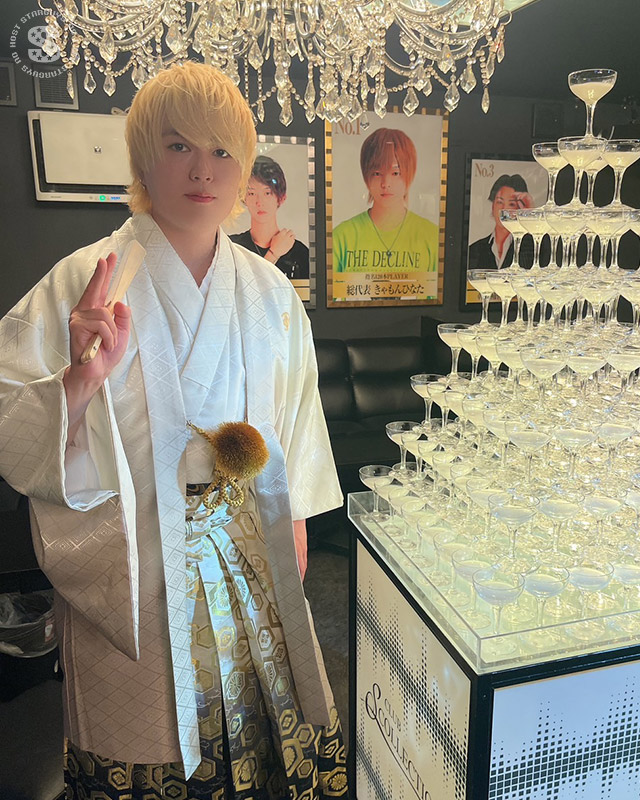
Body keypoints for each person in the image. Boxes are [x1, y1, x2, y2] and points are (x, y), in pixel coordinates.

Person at [0, 63, 347, 799]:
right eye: (179, 145)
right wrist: (78, 381)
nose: (202, 170)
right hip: (133, 566)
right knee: (146, 742)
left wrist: (295, 531)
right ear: (143, 157)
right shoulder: (81, 282)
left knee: (254, 739)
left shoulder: (271, 292)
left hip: (250, 555)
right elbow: (9, 414)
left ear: (244, 169)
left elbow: (296, 424)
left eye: (223, 151)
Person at [332, 127, 439, 273]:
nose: (386, 183)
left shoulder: (431, 237)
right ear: (366, 176)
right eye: (377, 173)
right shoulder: (342, 237)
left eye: (396, 173)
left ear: (410, 173)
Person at [232, 155, 310, 280]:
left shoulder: (300, 253)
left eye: (267, 193)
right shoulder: (233, 247)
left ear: (281, 198)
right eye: (251, 193)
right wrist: (273, 254)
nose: (259, 202)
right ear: (243, 198)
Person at [468, 173, 535, 270]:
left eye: (511, 204)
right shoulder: (474, 249)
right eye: (500, 202)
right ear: (493, 206)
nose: (504, 209)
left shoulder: (531, 247)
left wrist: (530, 215)